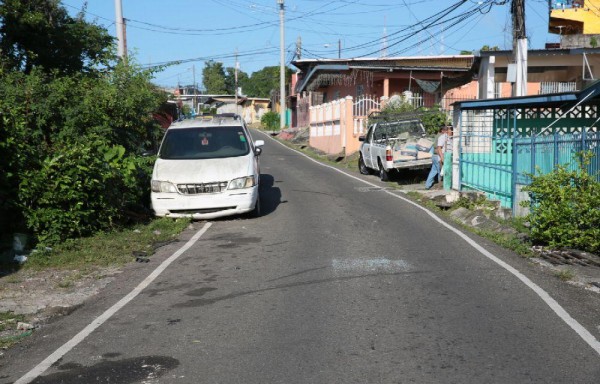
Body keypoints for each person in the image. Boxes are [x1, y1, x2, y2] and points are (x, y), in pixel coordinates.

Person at [425, 125, 449, 190]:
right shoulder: (441, 137)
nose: (448, 131)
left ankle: (427, 185)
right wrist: (442, 157)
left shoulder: (437, 135)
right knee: (440, 172)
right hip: (438, 156)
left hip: (434, 156)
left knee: (433, 171)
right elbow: (439, 148)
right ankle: (440, 186)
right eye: (447, 130)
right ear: (442, 130)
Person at [443, 125, 453, 190]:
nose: (451, 131)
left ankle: (451, 185)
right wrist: (442, 158)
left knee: (452, 171)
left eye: (451, 130)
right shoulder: (443, 137)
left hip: (452, 155)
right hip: (447, 155)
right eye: (449, 130)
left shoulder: (453, 138)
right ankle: (446, 187)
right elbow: (439, 148)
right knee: (447, 171)